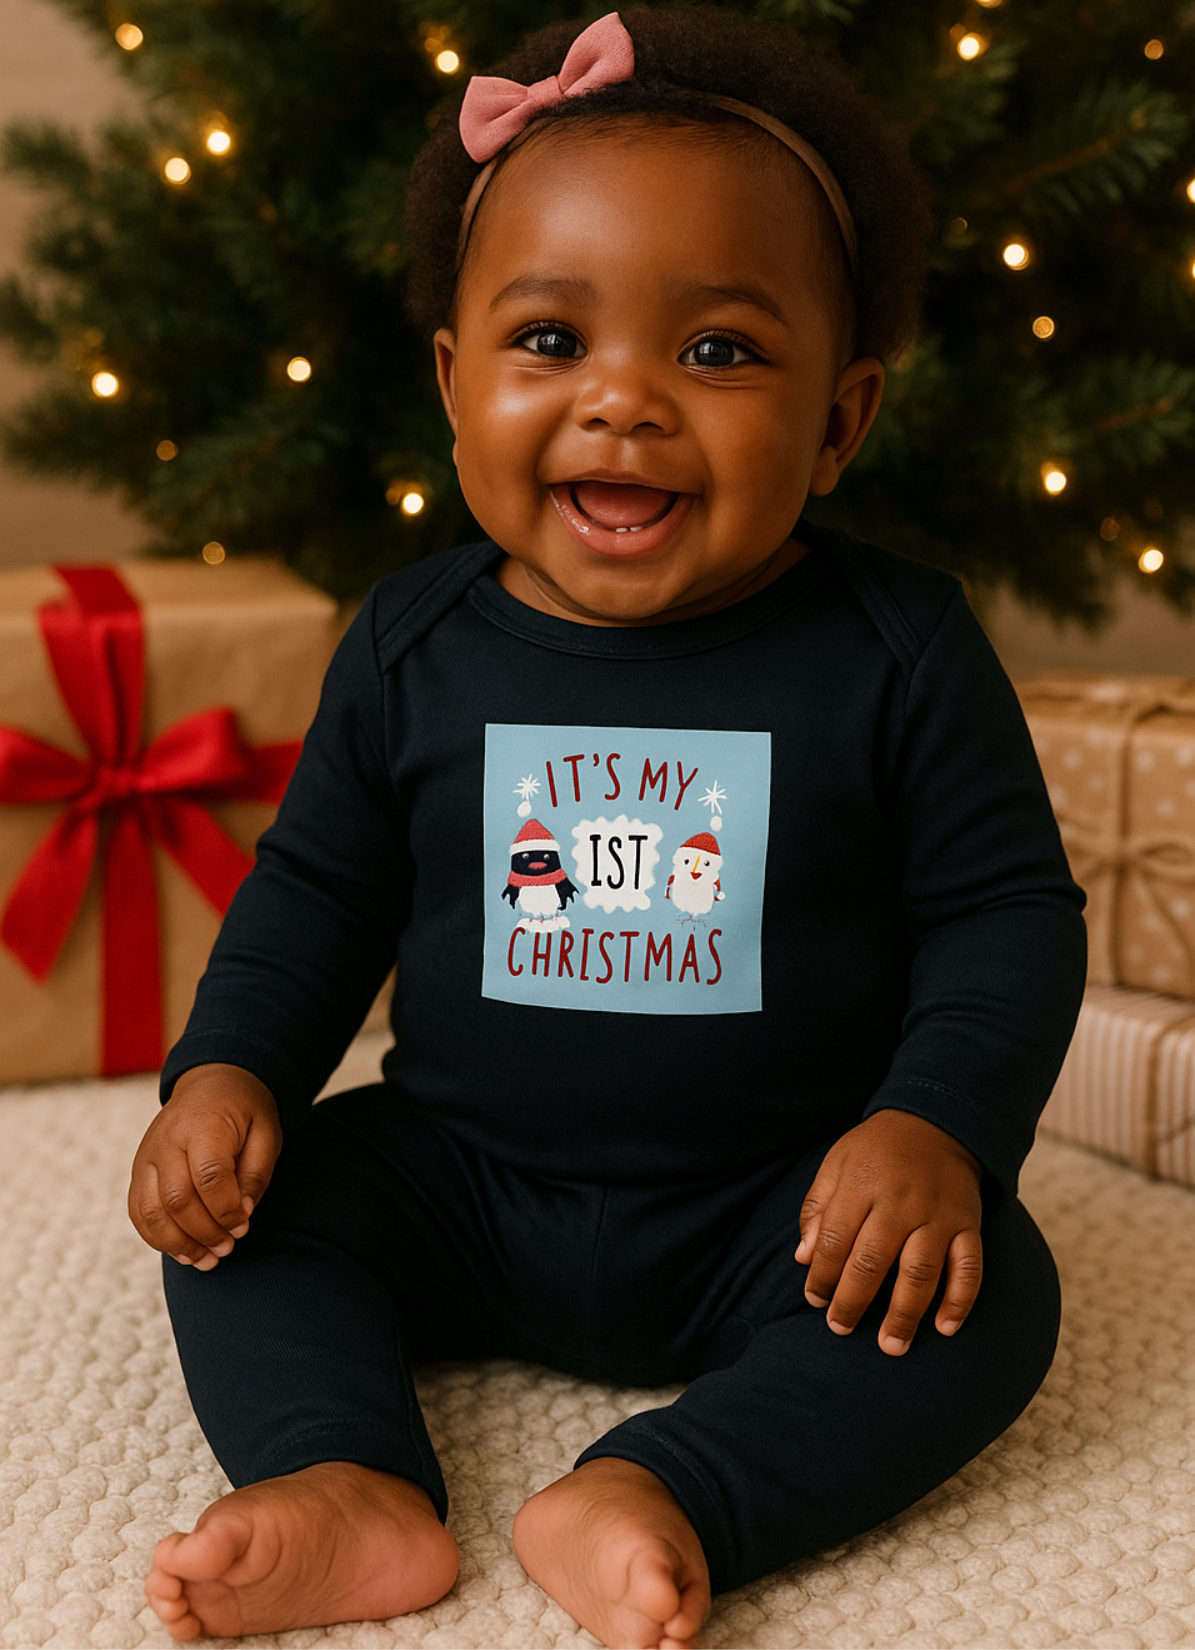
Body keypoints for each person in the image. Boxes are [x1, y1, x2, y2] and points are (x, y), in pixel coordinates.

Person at [129, 8, 1088, 1647]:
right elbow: (314, 895)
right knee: (251, 1225)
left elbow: (1007, 915)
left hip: (775, 1204)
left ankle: (669, 1485)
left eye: (717, 351)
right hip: (466, 1178)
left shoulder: (899, 649)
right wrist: (227, 1074)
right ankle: (349, 1478)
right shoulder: (413, 645)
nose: (625, 404)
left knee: (988, 1292)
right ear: (454, 383)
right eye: (551, 342)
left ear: (844, 418)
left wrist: (935, 1125)